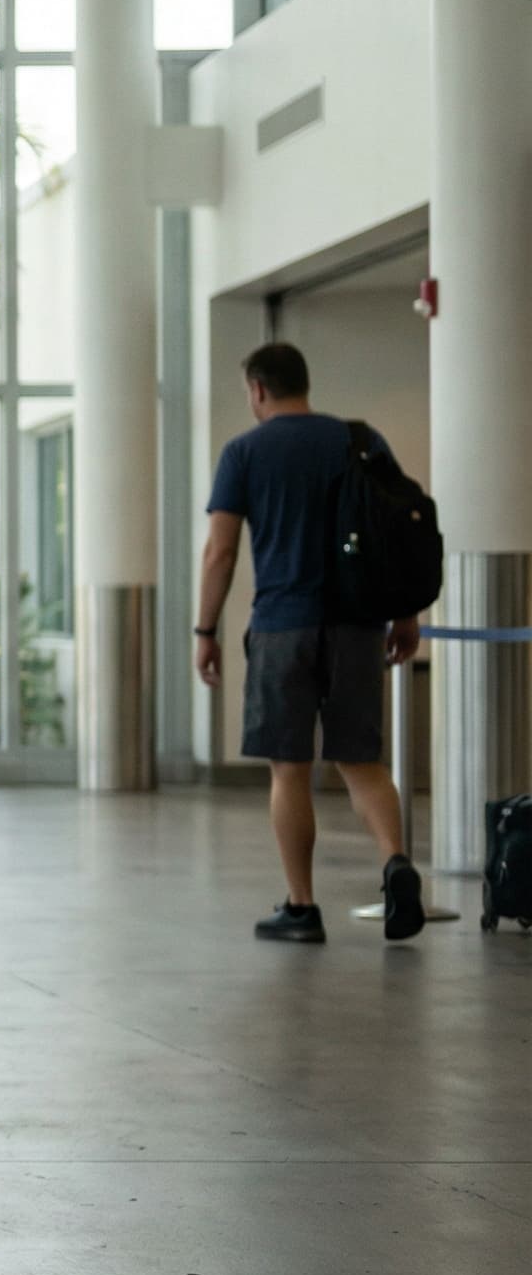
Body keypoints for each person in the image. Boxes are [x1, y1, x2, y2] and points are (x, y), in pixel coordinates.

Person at [197, 342, 425, 943]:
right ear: (305, 383)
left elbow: (220, 551)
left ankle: (302, 907)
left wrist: (205, 630)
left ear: (258, 390)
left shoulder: (244, 452)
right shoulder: (358, 440)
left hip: (282, 625)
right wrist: (404, 614)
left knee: (289, 770)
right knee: (361, 761)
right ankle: (396, 863)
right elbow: (394, 528)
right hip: (356, 625)